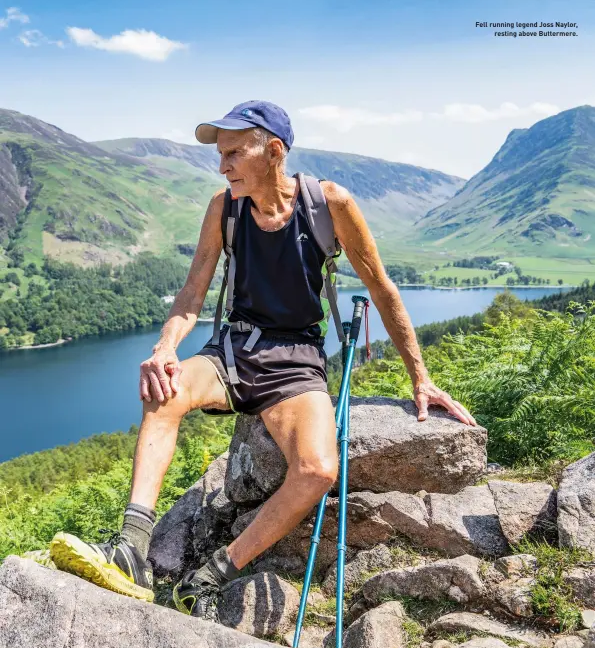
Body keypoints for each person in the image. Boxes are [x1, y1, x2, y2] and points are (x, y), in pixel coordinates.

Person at [50, 100, 476, 620]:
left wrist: (421, 377)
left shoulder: (329, 204)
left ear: (274, 151)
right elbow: (191, 292)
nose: (222, 164)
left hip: (296, 358)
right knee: (164, 393)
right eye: (220, 154)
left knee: (317, 469)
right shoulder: (224, 207)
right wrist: (163, 349)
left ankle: (211, 575)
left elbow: (382, 290)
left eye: (233, 153)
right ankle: (131, 548)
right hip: (235, 346)